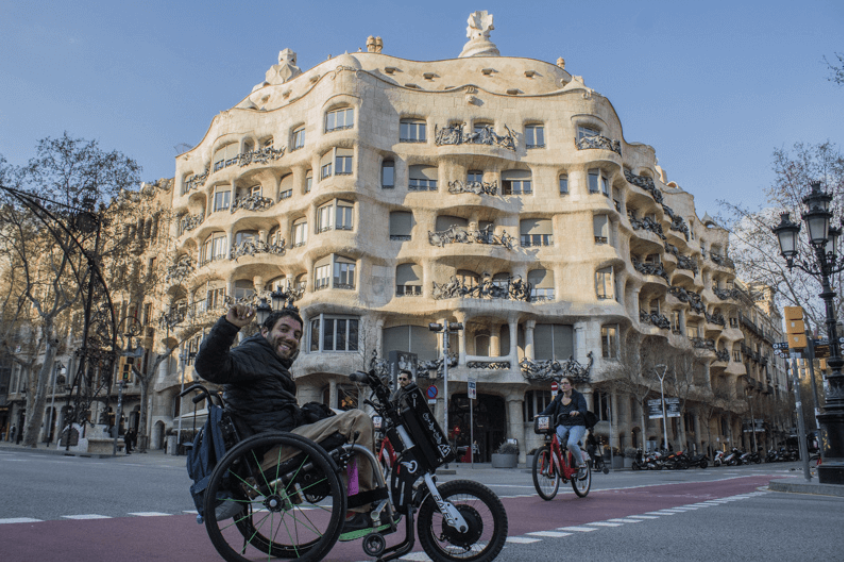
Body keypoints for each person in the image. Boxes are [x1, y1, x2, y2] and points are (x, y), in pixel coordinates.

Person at [194, 303, 388, 537]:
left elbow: (270, 411)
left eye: (297, 334)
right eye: (284, 330)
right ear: (265, 332)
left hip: (278, 442)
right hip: (269, 453)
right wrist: (229, 326)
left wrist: (307, 415)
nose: (291, 338)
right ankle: (356, 510)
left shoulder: (271, 363)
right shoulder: (252, 353)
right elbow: (208, 367)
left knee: (353, 438)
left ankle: (369, 502)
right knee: (357, 421)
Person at [538, 376, 588, 479]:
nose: (563, 385)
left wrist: (577, 412)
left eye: (566, 383)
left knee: (571, 443)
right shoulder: (558, 398)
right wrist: (539, 415)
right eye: (561, 383)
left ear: (572, 385)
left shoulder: (578, 397)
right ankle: (559, 465)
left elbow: (583, 409)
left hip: (577, 424)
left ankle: (582, 465)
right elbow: (548, 410)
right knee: (555, 443)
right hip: (562, 424)